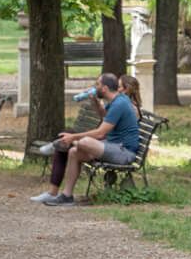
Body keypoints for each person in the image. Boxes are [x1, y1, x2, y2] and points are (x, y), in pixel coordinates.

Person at [32, 72, 141, 206]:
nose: (95, 87)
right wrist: (95, 101)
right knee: (73, 153)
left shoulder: (119, 103)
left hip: (124, 152)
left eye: (98, 84)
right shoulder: (116, 101)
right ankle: (67, 196)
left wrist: (73, 138)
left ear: (105, 88)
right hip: (112, 146)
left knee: (83, 142)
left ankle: (63, 143)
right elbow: (105, 116)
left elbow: (101, 133)